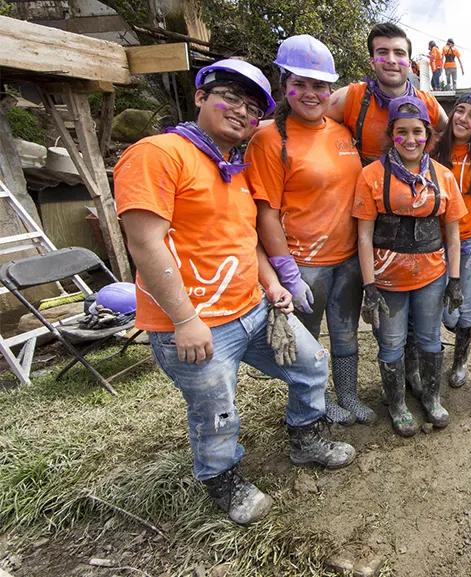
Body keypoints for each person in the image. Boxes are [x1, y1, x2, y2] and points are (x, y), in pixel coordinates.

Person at [114, 59, 355, 526]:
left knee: (311, 365)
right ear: (201, 97)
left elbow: (247, 242)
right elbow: (144, 242)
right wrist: (185, 320)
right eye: (229, 97)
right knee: (216, 409)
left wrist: (274, 285)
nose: (241, 111)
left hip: (252, 310)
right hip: (196, 324)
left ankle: (306, 439)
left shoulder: (232, 167)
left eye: (251, 106)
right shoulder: (159, 153)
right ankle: (221, 479)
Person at [245, 35, 373, 427]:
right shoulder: (269, 140)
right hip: (305, 265)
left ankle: (348, 395)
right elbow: (266, 214)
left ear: (329, 90)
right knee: (310, 344)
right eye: (299, 83)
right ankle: (319, 404)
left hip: (348, 258)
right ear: (284, 84)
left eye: (319, 85)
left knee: (346, 334)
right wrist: (286, 274)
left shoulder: (339, 131)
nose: (309, 93)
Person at [353, 96, 466, 436]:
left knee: (430, 340)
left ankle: (431, 398)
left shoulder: (443, 177)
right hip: (387, 279)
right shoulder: (371, 176)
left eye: (418, 131)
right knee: (391, 343)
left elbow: (453, 234)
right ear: (391, 134)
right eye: (401, 132)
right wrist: (369, 287)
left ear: (429, 135)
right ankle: (398, 404)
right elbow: (364, 236)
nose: (411, 139)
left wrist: (455, 280)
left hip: (431, 275)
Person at [326, 23, 448, 165]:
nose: (391, 60)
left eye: (399, 53)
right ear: (372, 62)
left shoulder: (428, 104)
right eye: (383, 52)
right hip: (366, 184)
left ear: (409, 63)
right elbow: (310, 125)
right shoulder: (351, 97)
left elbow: (453, 133)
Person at [431, 93, 471, 387]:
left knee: (463, 304)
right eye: (460, 111)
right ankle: (432, 354)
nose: (464, 119)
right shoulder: (432, 148)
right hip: (434, 241)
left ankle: (460, 362)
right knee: (440, 309)